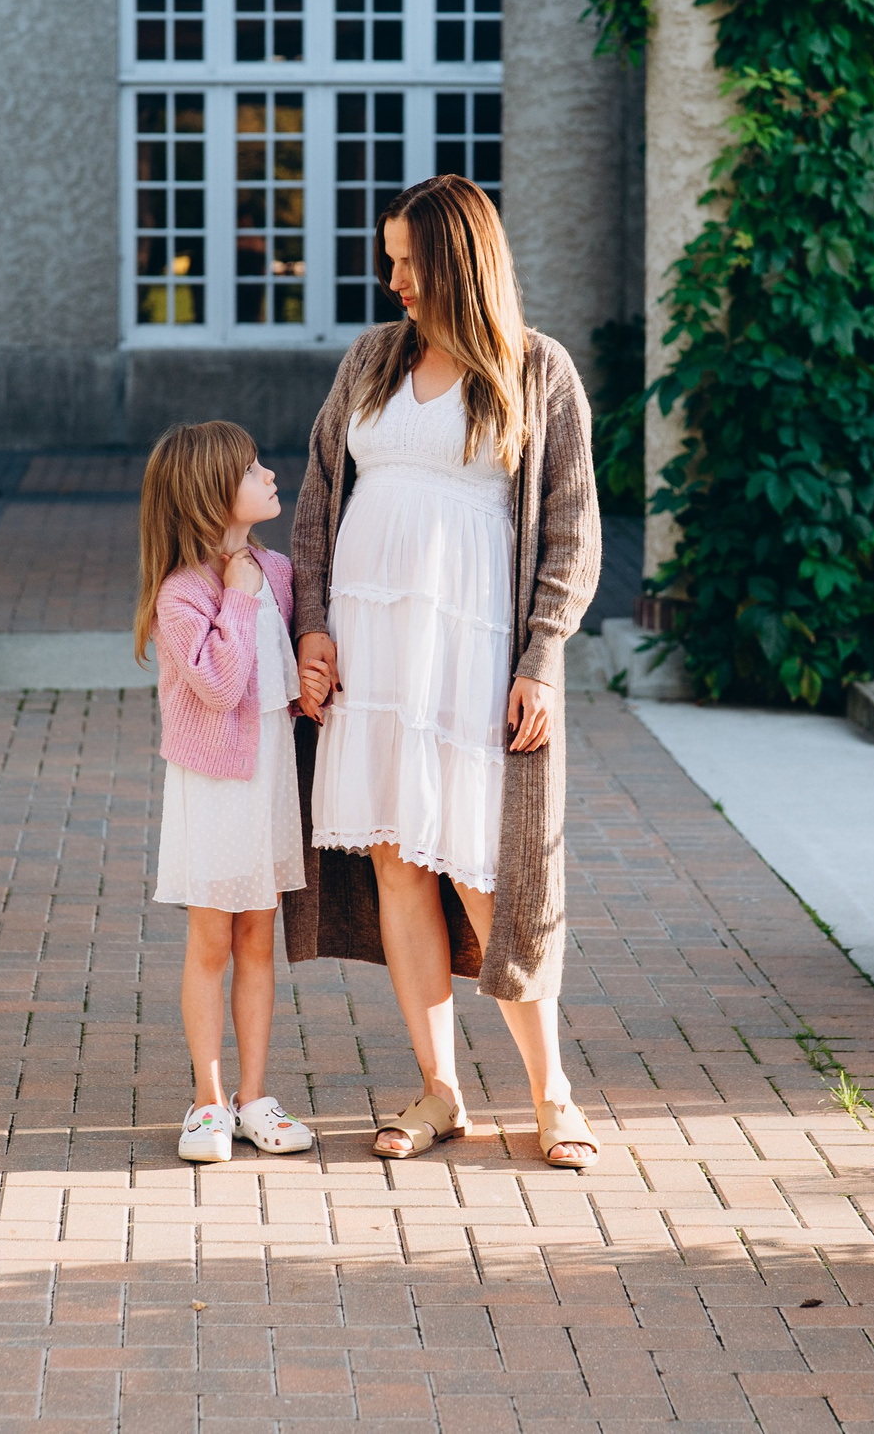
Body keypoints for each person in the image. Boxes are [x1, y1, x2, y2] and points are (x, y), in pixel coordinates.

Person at [285, 174, 605, 1170]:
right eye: (389, 261)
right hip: (372, 661)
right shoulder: (372, 362)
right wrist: (310, 628)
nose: (394, 283)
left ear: (460, 264)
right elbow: (312, 511)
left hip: (471, 658)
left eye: (410, 263)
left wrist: (543, 659)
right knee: (396, 863)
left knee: (485, 877)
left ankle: (552, 1095)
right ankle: (438, 1091)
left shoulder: (535, 371)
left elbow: (570, 530)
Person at [136, 420, 317, 1164]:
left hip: (268, 782)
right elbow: (216, 685)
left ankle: (253, 1097)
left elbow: (274, 684)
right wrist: (235, 599)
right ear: (214, 500)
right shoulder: (181, 596)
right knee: (212, 940)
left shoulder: (277, 573)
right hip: (213, 790)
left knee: (258, 941)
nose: (269, 474)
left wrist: (311, 687)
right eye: (250, 470)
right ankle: (207, 1103)